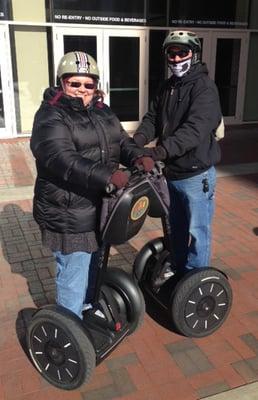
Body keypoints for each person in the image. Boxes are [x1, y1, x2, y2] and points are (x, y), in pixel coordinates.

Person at [30, 51, 154, 319]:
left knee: (95, 261)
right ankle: (69, 326)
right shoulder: (50, 115)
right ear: (62, 82)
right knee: (74, 271)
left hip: (100, 206)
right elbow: (61, 158)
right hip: (68, 210)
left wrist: (138, 156)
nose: (82, 91)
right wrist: (106, 176)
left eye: (88, 85)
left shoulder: (101, 111)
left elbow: (120, 141)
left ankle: (87, 306)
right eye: (75, 83)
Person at [132, 30, 222, 276]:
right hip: (171, 174)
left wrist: (158, 152)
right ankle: (179, 269)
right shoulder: (167, 86)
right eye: (171, 53)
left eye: (182, 52)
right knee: (176, 227)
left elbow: (194, 131)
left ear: (193, 54)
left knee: (198, 230)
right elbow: (152, 118)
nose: (176, 58)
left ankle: (195, 279)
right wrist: (137, 141)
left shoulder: (204, 88)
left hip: (196, 175)